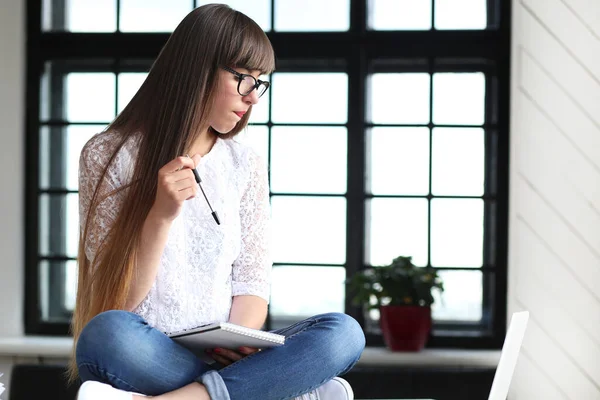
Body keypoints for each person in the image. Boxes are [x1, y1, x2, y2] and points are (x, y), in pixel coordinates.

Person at [70, 4, 365, 400]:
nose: (254, 97)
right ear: (197, 69)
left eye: (261, 82)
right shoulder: (106, 155)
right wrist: (160, 216)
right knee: (106, 335)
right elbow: (113, 302)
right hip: (149, 354)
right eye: (244, 78)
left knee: (343, 332)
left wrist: (240, 347)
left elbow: (252, 283)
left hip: (229, 359)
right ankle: (276, 391)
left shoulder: (244, 163)